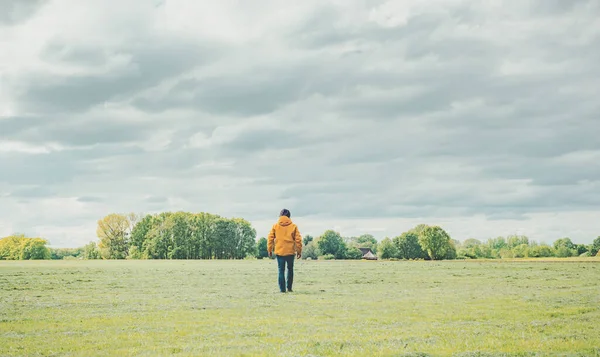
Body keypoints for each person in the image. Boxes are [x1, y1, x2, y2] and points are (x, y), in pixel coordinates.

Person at [267, 208, 303, 293]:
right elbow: (298, 240)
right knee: (290, 269)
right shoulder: (294, 226)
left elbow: (270, 239)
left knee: (281, 270)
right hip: (290, 252)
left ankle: (282, 290)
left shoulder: (275, 226)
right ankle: (289, 288)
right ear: (289, 217)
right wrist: (299, 251)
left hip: (279, 252)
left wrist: (269, 250)